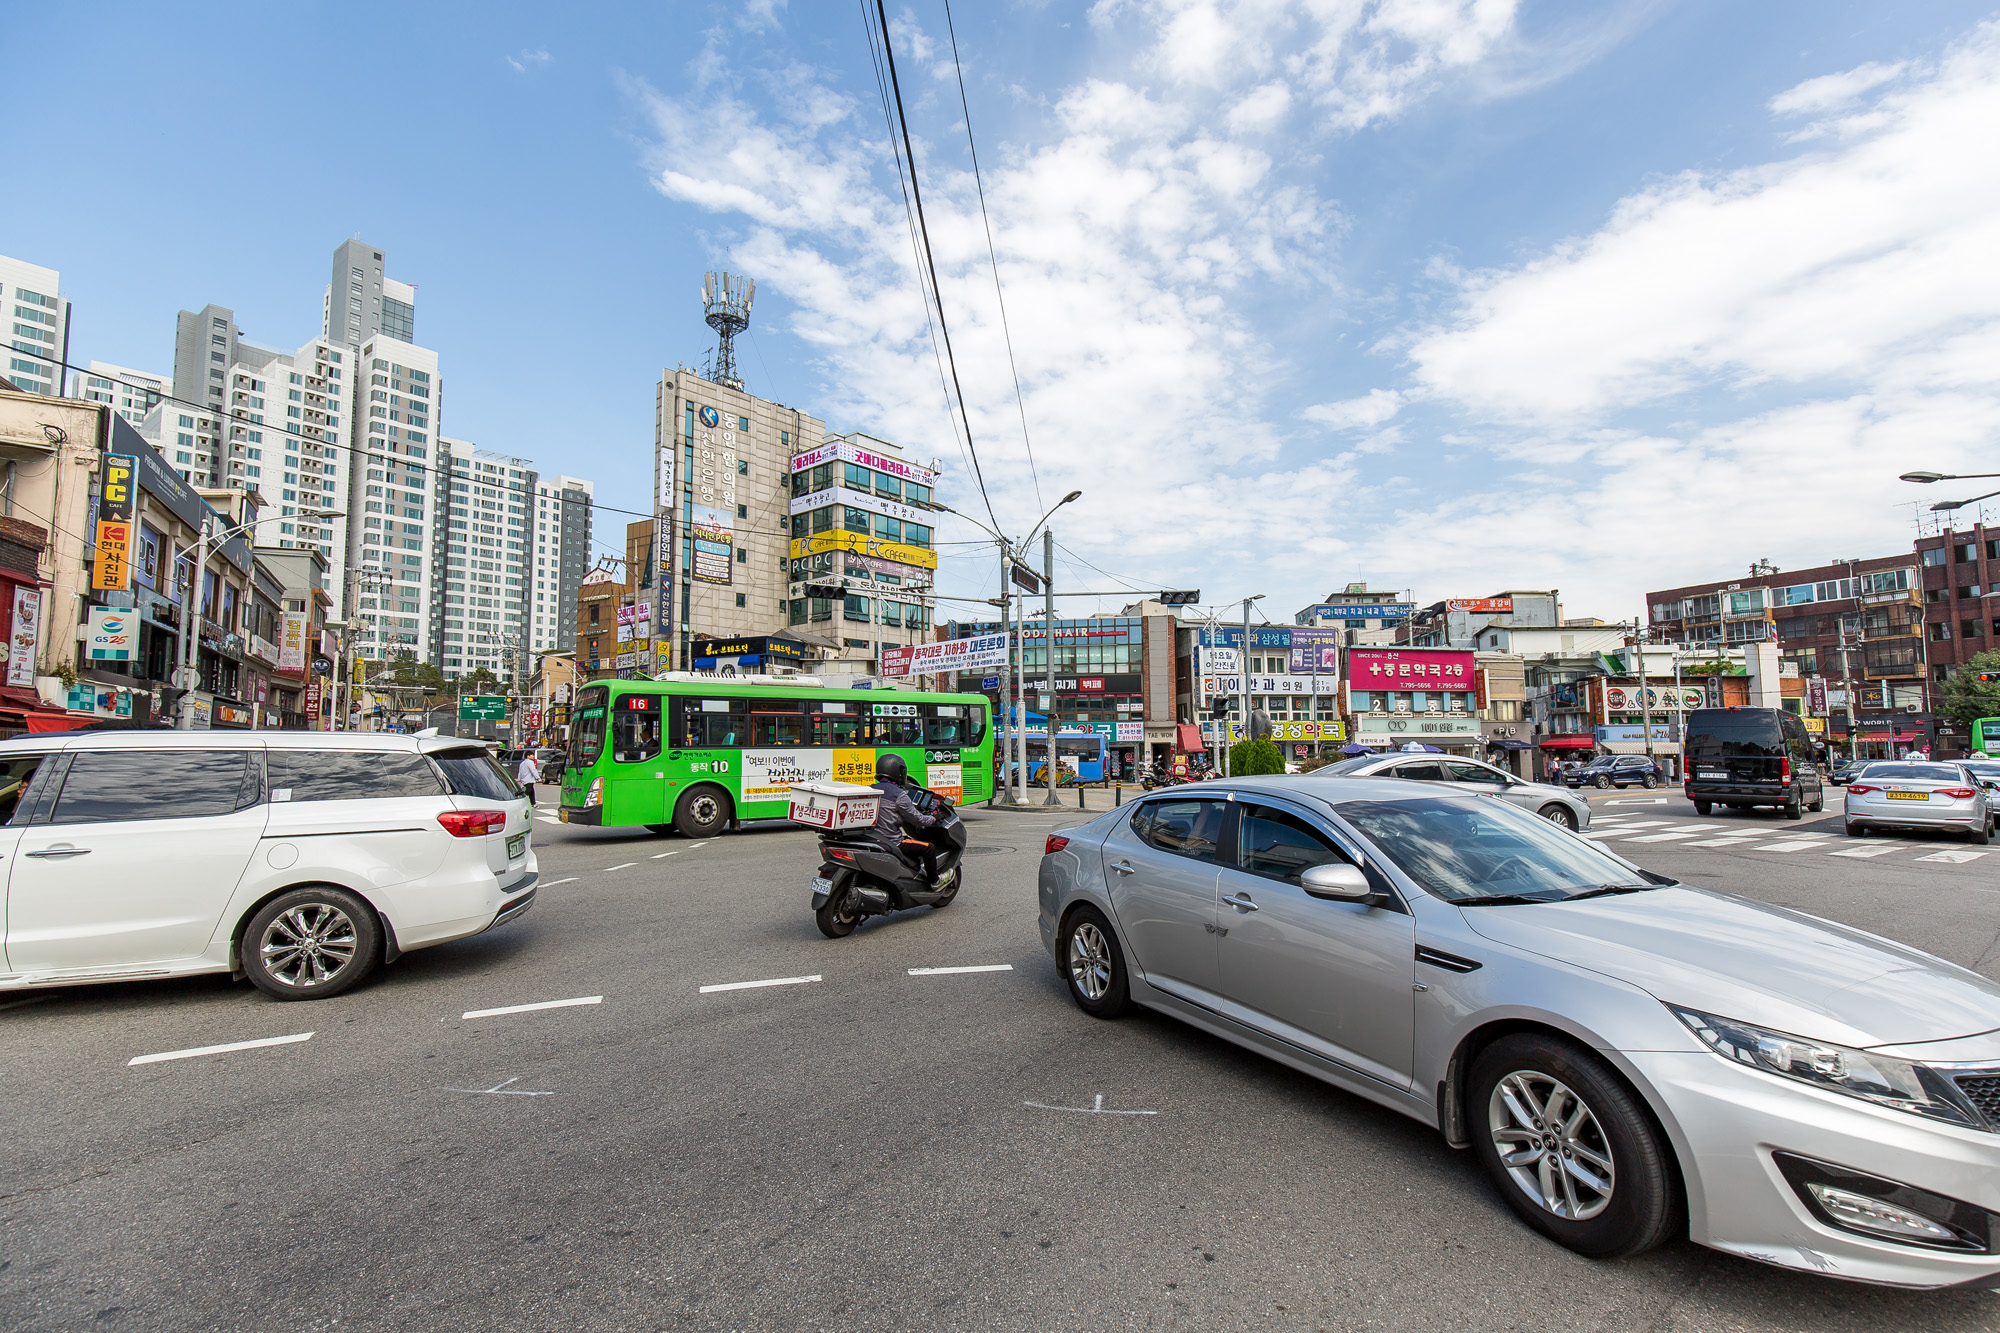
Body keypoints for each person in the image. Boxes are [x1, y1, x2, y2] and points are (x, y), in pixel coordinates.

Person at [867, 753, 941, 885]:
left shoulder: (870, 789)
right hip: (892, 841)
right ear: (898, 772)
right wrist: (934, 818)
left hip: (873, 838)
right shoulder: (899, 795)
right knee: (929, 848)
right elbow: (919, 820)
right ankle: (935, 882)